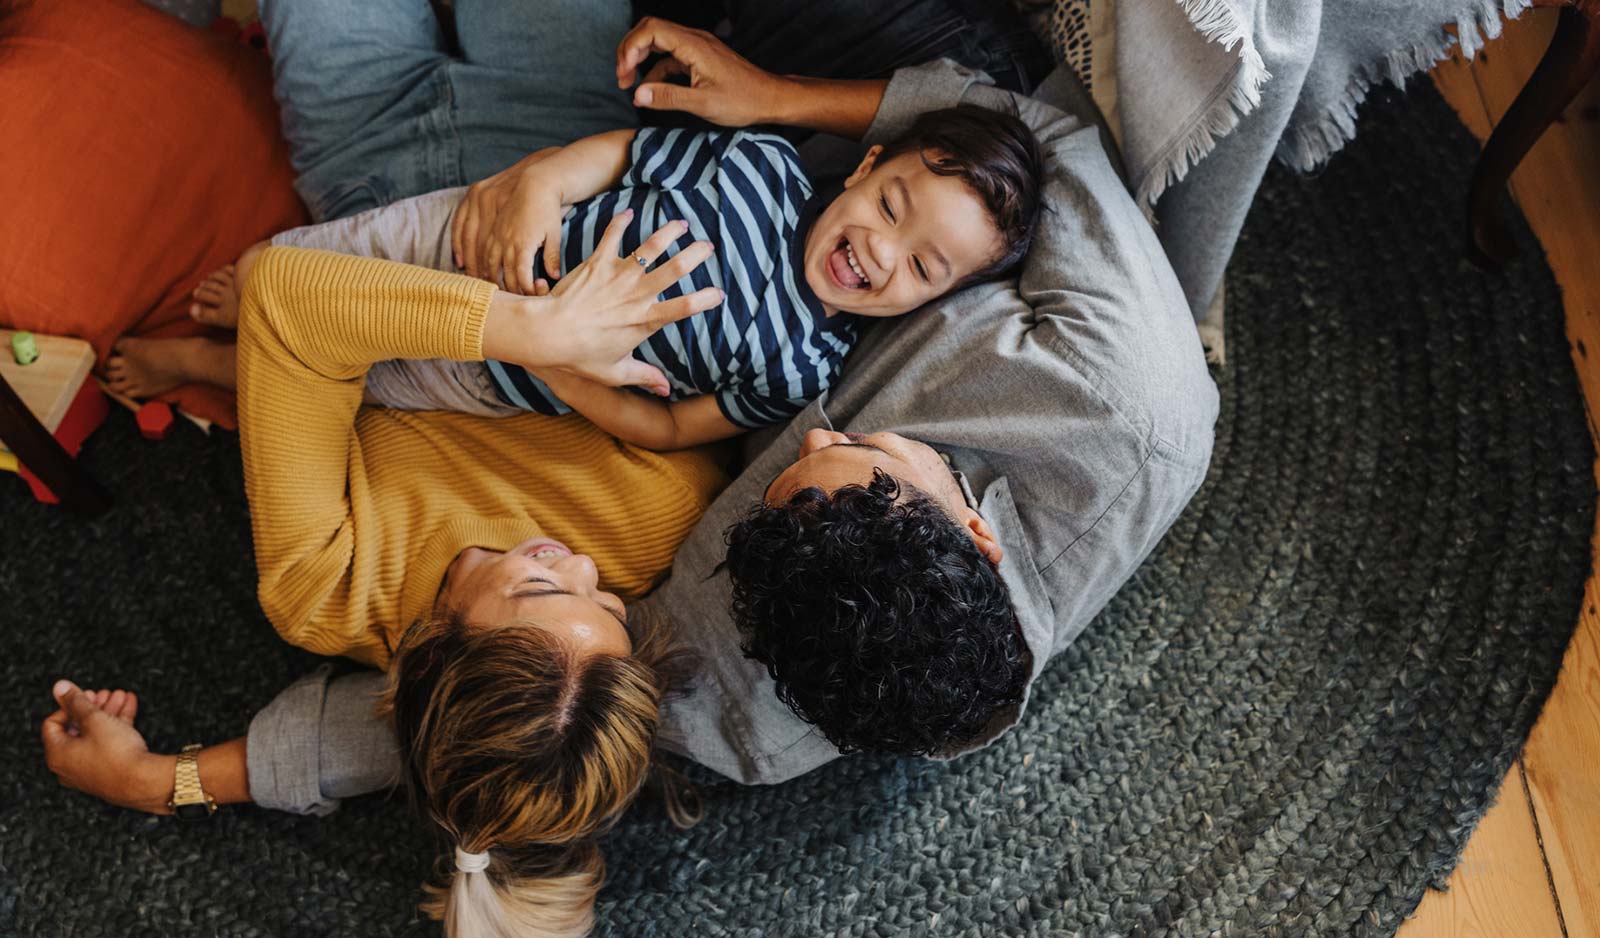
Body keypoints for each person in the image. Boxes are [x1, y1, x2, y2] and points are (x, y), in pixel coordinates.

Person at [48, 0, 1212, 850]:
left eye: (784, 478)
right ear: (978, 527)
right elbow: (1028, 137)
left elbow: (493, 732)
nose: (800, 439)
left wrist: (176, 782)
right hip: (656, 170)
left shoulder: (731, 687)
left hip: (413, 242)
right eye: (842, 451)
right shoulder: (1124, 389)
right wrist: (767, 101)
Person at [115, 104, 1044, 452]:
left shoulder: (802, 365)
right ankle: (264, 291)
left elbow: (675, 428)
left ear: (935, 300)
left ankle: (203, 366)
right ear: (864, 166)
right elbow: (620, 156)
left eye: (923, 266)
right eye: (890, 206)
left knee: (345, 378)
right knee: (315, 264)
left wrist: (559, 366)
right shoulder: (758, 166)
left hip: (491, 371)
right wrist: (541, 185)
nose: (882, 252)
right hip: (471, 244)